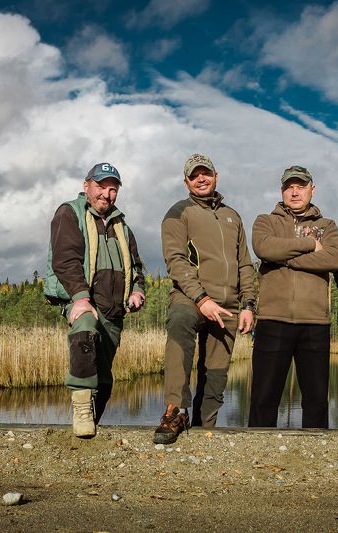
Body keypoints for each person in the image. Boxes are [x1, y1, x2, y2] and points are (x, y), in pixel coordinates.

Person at [154, 154, 256, 444]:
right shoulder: (178, 212)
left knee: (217, 374)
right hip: (190, 297)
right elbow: (175, 260)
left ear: (216, 176)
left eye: (206, 173)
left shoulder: (232, 216)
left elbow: (245, 264)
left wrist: (248, 304)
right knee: (180, 324)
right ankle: (174, 411)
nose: (201, 179)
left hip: (229, 305)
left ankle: (203, 427)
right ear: (186, 180)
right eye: (194, 175)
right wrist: (201, 299)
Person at [44, 162, 146, 438]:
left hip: (114, 313)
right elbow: (65, 260)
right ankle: (81, 414)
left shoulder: (121, 225)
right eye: (101, 187)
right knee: (83, 333)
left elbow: (136, 267)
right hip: (85, 303)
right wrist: (79, 298)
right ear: (86, 185)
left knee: (104, 380)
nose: (107, 194)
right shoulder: (70, 213)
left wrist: (137, 290)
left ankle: (92, 426)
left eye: (113, 189)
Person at [248, 165, 338, 428]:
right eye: (289, 187)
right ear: (282, 191)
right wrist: (310, 245)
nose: (295, 192)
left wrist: (286, 259)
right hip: (272, 319)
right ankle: (256, 448)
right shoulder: (265, 221)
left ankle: (316, 453)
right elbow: (264, 248)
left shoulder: (327, 225)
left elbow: (333, 258)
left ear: (312, 189)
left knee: (316, 400)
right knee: (263, 398)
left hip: (314, 323)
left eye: (301, 186)